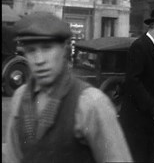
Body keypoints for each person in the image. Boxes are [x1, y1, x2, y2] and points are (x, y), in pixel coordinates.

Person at [5, 12, 132, 163]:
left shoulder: (91, 103)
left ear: (64, 50)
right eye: (31, 50)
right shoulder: (20, 98)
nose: (39, 60)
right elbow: (12, 157)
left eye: (47, 48)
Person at [119, 9, 154, 162]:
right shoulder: (140, 46)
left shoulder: (153, 49)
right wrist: (152, 106)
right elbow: (133, 81)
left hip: (147, 117)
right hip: (137, 119)